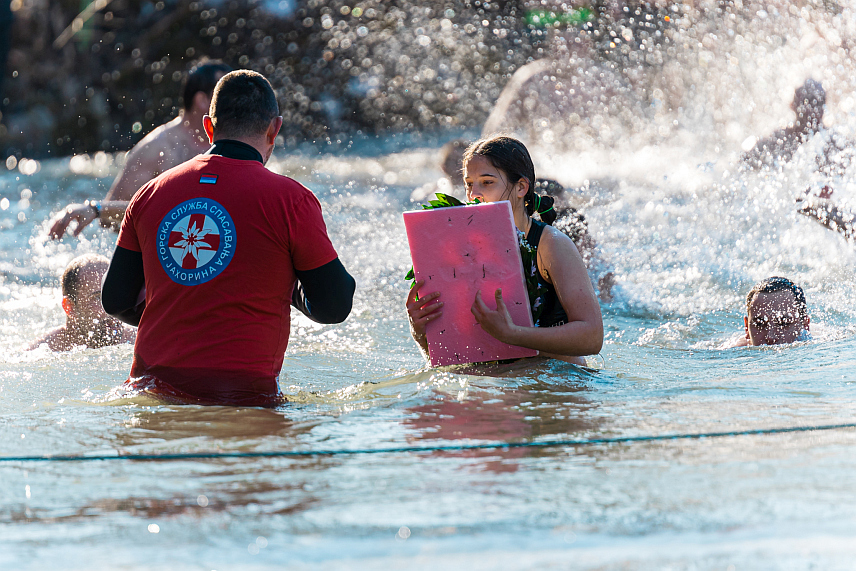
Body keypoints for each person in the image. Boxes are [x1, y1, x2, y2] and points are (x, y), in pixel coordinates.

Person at [101, 70, 356, 406]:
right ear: (274, 129)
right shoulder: (291, 199)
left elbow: (115, 299)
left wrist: (186, 302)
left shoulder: (149, 194)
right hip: (245, 398)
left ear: (209, 127)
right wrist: (290, 292)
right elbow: (335, 306)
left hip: (152, 391)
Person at [406, 135, 603, 366]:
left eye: (487, 182)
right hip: (491, 386)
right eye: (469, 184)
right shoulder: (457, 247)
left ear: (521, 187)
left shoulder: (551, 244)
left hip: (553, 386)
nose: (473, 195)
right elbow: (450, 356)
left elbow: (592, 337)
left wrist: (513, 334)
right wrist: (420, 331)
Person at [48, 61, 232, 239]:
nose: (236, 103)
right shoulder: (156, 148)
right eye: (228, 96)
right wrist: (96, 209)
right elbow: (108, 222)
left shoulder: (232, 141)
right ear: (201, 101)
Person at [28, 254, 135, 351]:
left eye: (115, 295)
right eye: (98, 297)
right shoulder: (41, 352)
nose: (115, 306)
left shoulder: (138, 343)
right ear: (69, 308)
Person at [743, 79, 826, 169]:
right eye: (806, 102)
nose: (812, 110)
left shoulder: (831, 147)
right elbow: (744, 162)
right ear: (794, 105)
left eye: (818, 103)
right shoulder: (777, 142)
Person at [725, 277, 810, 348]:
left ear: (805, 325)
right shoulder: (731, 352)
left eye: (783, 323)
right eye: (760, 324)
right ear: (747, 327)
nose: (771, 337)